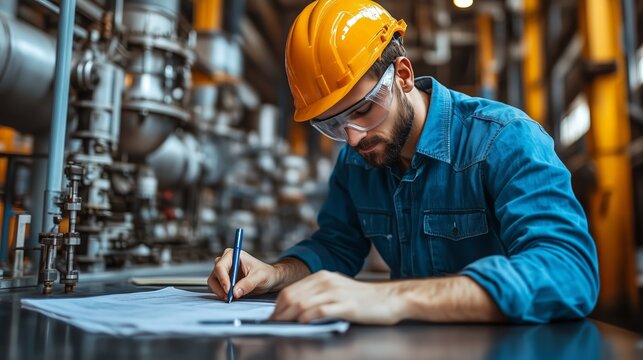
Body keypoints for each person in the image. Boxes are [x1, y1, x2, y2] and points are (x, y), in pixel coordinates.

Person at [208, 0, 599, 324]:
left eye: (362, 111)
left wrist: (395, 298)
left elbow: (568, 271)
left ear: (403, 75)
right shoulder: (355, 162)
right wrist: (276, 273)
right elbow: (336, 247)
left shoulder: (505, 139)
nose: (352, 137)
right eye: (333, 124)